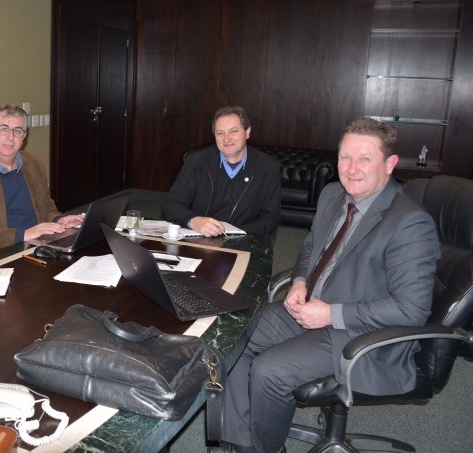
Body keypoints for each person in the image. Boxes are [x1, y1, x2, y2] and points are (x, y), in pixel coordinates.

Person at [216, 117, 440, 453]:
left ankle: (264, 449)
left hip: (360, 334)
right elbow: (309, 247)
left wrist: (331, 314)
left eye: (365, 159)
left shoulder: (410, 223)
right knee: (231, 334)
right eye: (345, 158)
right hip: (311, 308)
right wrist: (300, 280)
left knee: (269, 370)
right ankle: (239, 440)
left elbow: (411, 309)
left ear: (390, 164)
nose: (351, 169)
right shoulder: (334, 193)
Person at [0, 104, 83, 265]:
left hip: (35, 248)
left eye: (17, 131)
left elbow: (46, 207)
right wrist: (22, 235)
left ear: (24, 137)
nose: (11, 137)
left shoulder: (34, 164)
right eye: (4, 129)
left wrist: (60, 221)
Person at [162, 106, 281, 236]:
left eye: (233, 131)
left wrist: (236, 235)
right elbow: (171, 205)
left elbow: (270, 219)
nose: (226, 138)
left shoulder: (267, 167)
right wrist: (193, 221)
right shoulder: (196, 162)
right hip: (201, 239)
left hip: (244, 241)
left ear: (247, 132)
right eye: (220, 133)